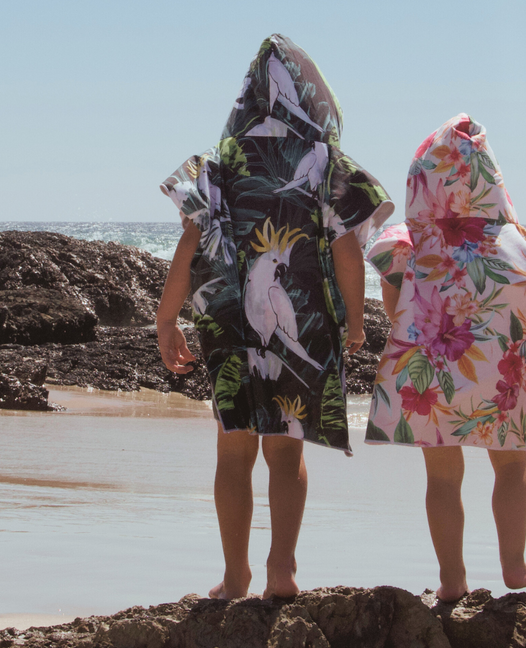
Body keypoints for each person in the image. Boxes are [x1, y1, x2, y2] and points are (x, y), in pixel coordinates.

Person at [156, 34, 394, 600]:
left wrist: (166, 320)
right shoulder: (325, 162)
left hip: (228, 323)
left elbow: (189, 247)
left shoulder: (215, 165)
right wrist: (355, 322)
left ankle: (234, 574)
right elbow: (347, 252)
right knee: (286, 450)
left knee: (233, 449)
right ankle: (281, 570)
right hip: (303, 320)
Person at [364, 114, 526, 602]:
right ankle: (514, 565)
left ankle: (452, 579)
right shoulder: (517, 240)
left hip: (436, 374)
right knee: (510, 468)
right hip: (502, 380)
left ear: (424, 177)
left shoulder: (409, 240)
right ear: (491, 178)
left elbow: (396, 308)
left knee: (442, 477)